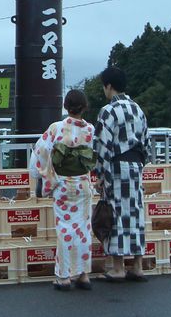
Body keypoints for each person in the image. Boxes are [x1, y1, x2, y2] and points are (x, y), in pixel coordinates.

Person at [30, 89, 96, 291]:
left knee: (65, 229)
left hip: (63, 184)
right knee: (84, 229)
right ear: (84, 107)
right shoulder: (90, 130)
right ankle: (83, 274)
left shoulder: (56, 128)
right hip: (83, 184)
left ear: (66, 106)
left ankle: (64, 276)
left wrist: (38, 175)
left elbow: (40, 152)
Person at [93, 66, 151, 282]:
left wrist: (100, 173)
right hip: (135, 168)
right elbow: (146, 144)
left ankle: (117, 268)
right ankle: (137, 266)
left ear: (108, 86)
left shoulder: (108, 111)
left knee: (116, 214)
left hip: (116, 168)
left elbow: (102, 145)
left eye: (104, 86)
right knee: (135, 215)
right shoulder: (138, 110)